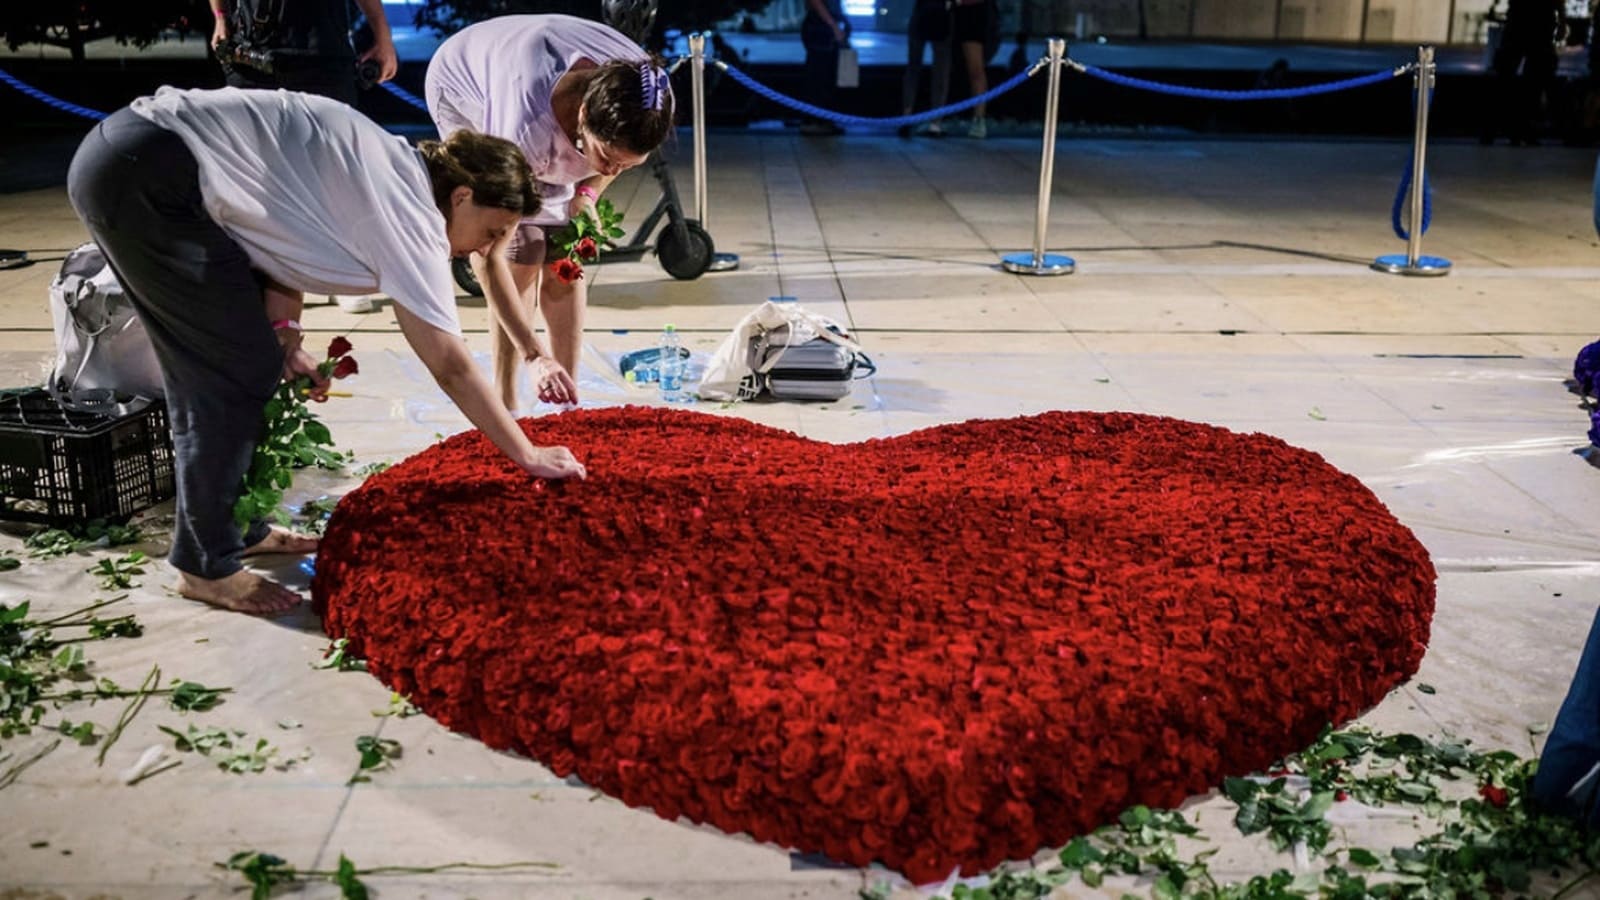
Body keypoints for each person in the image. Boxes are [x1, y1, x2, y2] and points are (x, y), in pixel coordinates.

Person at [66, 87, 587, 616]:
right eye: (491, 231)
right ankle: (204, 565)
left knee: (254, 359)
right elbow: (449, 363)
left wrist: (286, 333)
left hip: (144, 158)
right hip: (147, 174)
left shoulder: (399, 172)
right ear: (461, 197)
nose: (483, 249)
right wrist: (527, 454)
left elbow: (276, 237)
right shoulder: (409, 215)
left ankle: (236, 526)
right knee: (226, 374)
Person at [425, 14, 675, 410]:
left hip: (553, 107)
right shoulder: (521, 126)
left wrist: (587, 195)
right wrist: (534, 355)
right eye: (607, 158)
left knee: (565, 254)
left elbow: (610, 164)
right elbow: (486, 256)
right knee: (519, 252)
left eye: (627, 165)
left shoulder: (649, 99)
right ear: (582, 117)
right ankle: (506, 402)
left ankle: (567, 396)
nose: (612, 172)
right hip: (466, 84)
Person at [207, 0, 398, 107]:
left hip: (322, 61)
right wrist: (220, 17)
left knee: (331, 163)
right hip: (251, 60)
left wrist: (383, 37)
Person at [1483, 0, 1566, 145]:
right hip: (1540, 21)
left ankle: (1495, 129)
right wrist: (1562, 20)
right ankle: (1522, 129)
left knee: (1506, 79)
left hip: (1521, 19)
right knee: (1532, 82)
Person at [900, 0, 953, 138]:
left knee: (925, 69)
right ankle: (930, 121)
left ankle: (918, 118)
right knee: (935, 70)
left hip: (935, 13)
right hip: (930, 12)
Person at [801, 0, 850, 137]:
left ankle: (821, 120)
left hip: (825, 25)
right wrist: (834, 26)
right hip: (820, 28)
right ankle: (814, 121)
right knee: (819, 76)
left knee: (825, 75)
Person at [952, 0, 998, 139]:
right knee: (948, 68)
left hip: (975, 14)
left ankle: (979, 119)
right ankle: (936, 120)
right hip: (952, 13)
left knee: (975, 70)